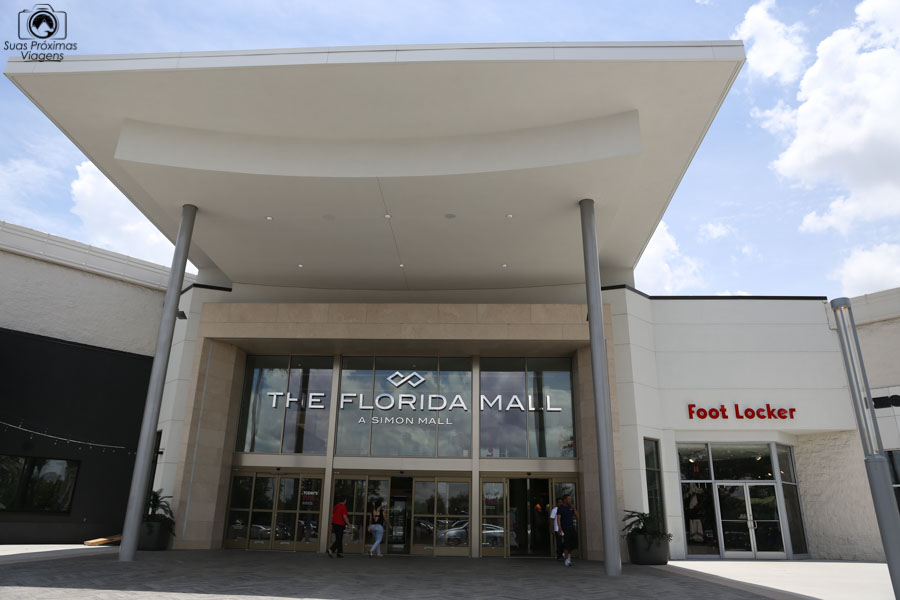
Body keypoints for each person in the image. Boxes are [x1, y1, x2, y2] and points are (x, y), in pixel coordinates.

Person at [556, 494, 578, 566]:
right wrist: (560, 527)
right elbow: (558, 518)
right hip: (565, 528)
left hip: (572, 528)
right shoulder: (561, 508)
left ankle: (565, 553)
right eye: (568, 499)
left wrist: (574, 509)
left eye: (570, 499)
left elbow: (577, 516)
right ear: (565, 500)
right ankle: (567, 560)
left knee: (574, 543)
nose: (569, 500)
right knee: (567, 544)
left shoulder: (570, 507)